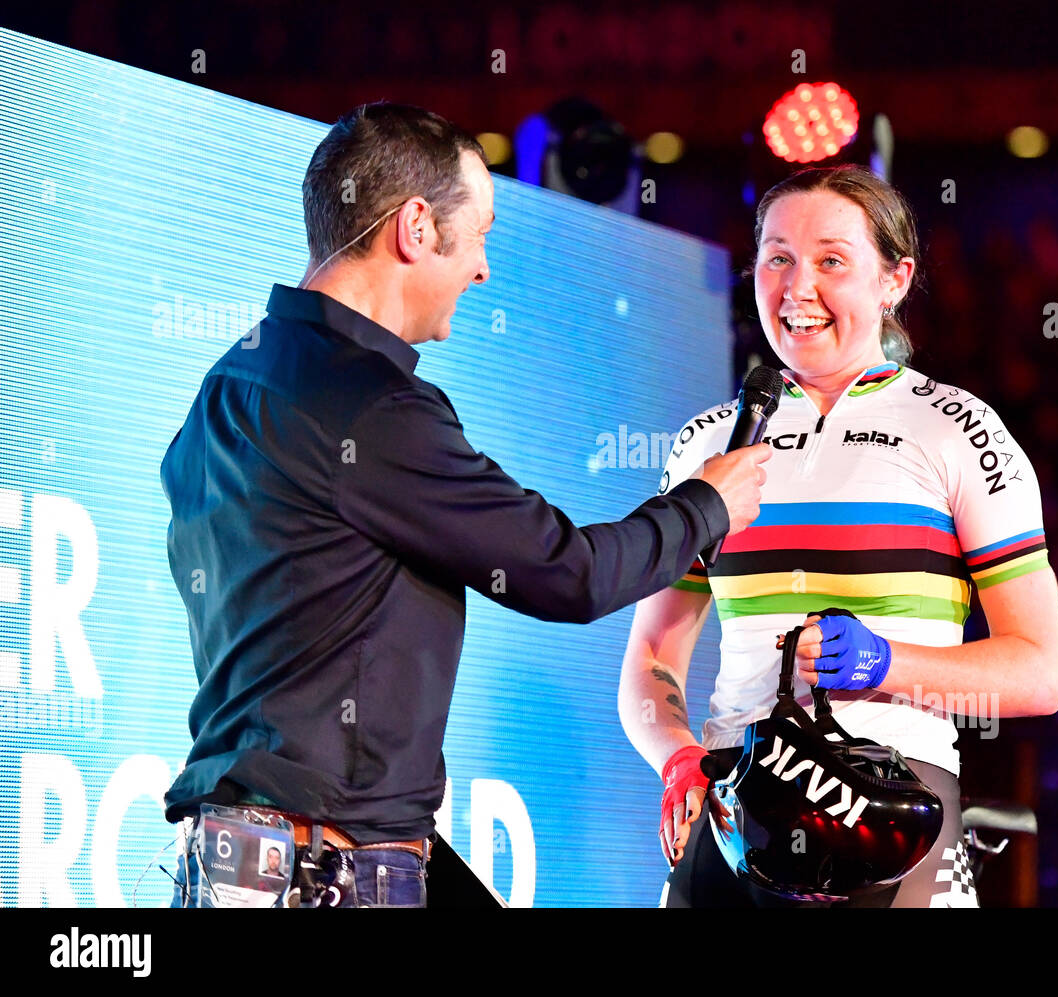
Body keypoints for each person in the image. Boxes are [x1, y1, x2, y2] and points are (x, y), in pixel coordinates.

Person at [163, 102, 770, 908]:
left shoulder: (229, 385)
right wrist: (708, 503)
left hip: (242, 858)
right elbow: (567, 573)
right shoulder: (372, 406)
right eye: (479, 232)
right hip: (323, 870)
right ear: (416, 227)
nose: (482, 267)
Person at [620, 164, 1058, 908]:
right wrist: (678, 758)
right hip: (733, 807)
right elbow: (651, 655)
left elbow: (1041, 671)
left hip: (893, 804)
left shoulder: (957, 429)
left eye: (832, 260)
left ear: (895, 279)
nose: (798, 288)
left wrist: (888, 664)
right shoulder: (708, 442)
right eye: (778, 257)